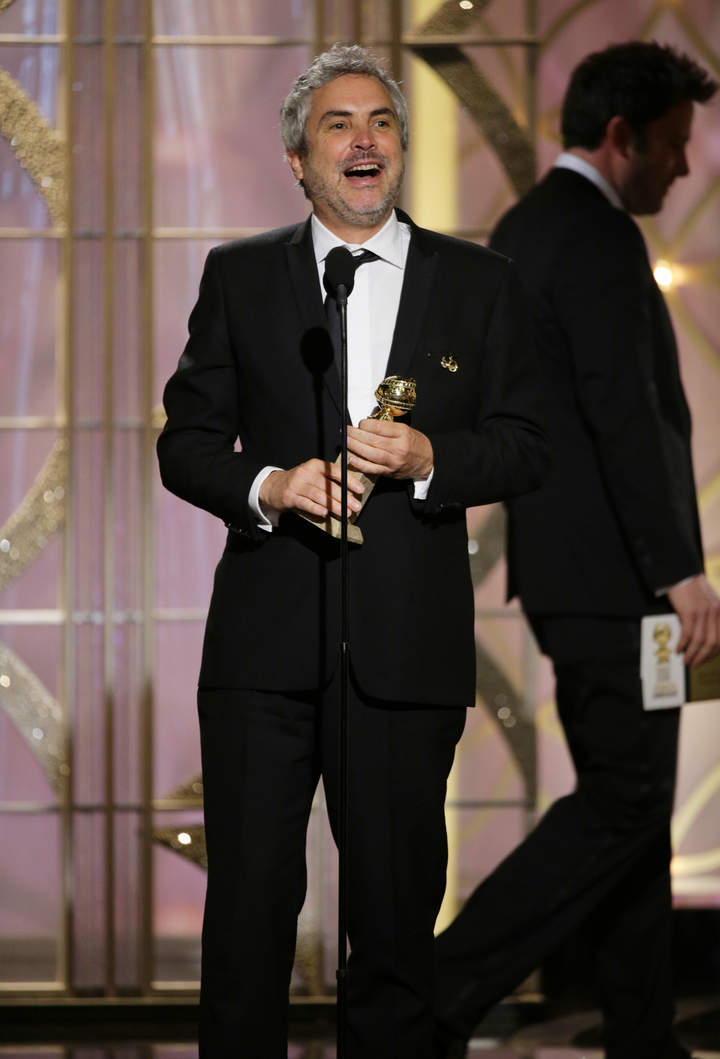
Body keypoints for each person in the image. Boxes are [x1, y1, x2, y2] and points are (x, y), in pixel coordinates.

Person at [157, 43, 548, 1059]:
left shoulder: (481, 282)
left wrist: (430, 459)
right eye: (339, 123)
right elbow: (186, 444)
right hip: (262, 656)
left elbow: (527, 443)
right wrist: (271, 485)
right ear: (299, 159)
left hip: (407, 653)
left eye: (382, 122)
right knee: (247, 924)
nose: (364, 139)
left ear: (402, 148)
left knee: (394, 928)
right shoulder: (241, 276)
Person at [434, 41, 720, 1059]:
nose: (683, 167)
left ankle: (641, 1034)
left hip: (576, 578)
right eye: (673, 144)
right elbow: (624, 416)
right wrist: (680, 570)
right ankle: (433, 994)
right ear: (621, 136)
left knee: (633, 803)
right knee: (627, 798)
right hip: (619, 583)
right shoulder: (594, 236)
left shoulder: (526, 227)